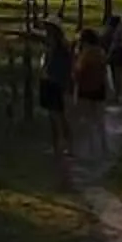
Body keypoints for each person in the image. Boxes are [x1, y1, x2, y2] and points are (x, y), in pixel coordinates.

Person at [72, 25, 113, 157]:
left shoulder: (85, 54)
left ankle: (90, 148)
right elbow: (105, 71)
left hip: (85, 89)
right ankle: (104, 147)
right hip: (99, 88)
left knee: (87, 120)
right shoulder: (101, 52)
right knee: (100, 120)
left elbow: (78, 72)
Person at [37, 21, 74, 157]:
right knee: (52, 117)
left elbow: (67, 68)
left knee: (60, 116)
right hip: (47, 82)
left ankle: (67, 145)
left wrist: (65, 83)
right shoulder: (50, 46)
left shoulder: (62, 49)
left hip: (55, 83)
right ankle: (57, 146)